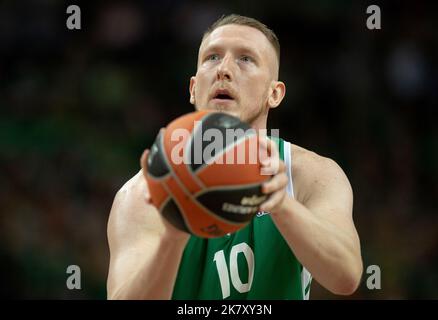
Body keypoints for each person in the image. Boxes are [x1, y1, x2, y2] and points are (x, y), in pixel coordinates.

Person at [106, 14, 363, 299]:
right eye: (212, 57)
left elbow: (346, 276)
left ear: (274, 94)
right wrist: (173, 237)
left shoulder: (310, 174)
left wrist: (282, 206)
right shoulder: (143, 192)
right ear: (193, 88)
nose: (224, 70)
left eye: (246, 59)